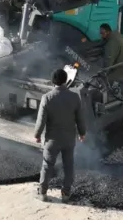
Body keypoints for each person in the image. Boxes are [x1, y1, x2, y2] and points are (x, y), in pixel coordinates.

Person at [34, 68, 87, 202]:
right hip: (69, 139)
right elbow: (80, 118)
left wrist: (37, 134)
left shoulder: (47, 97)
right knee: (68, 166)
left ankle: (43, 192)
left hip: (52, 139)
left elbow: (41, 120)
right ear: (66, 81)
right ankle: (65, 194)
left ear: (53, 81)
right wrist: (82, 133)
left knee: (47, 165)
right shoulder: (75, 97)